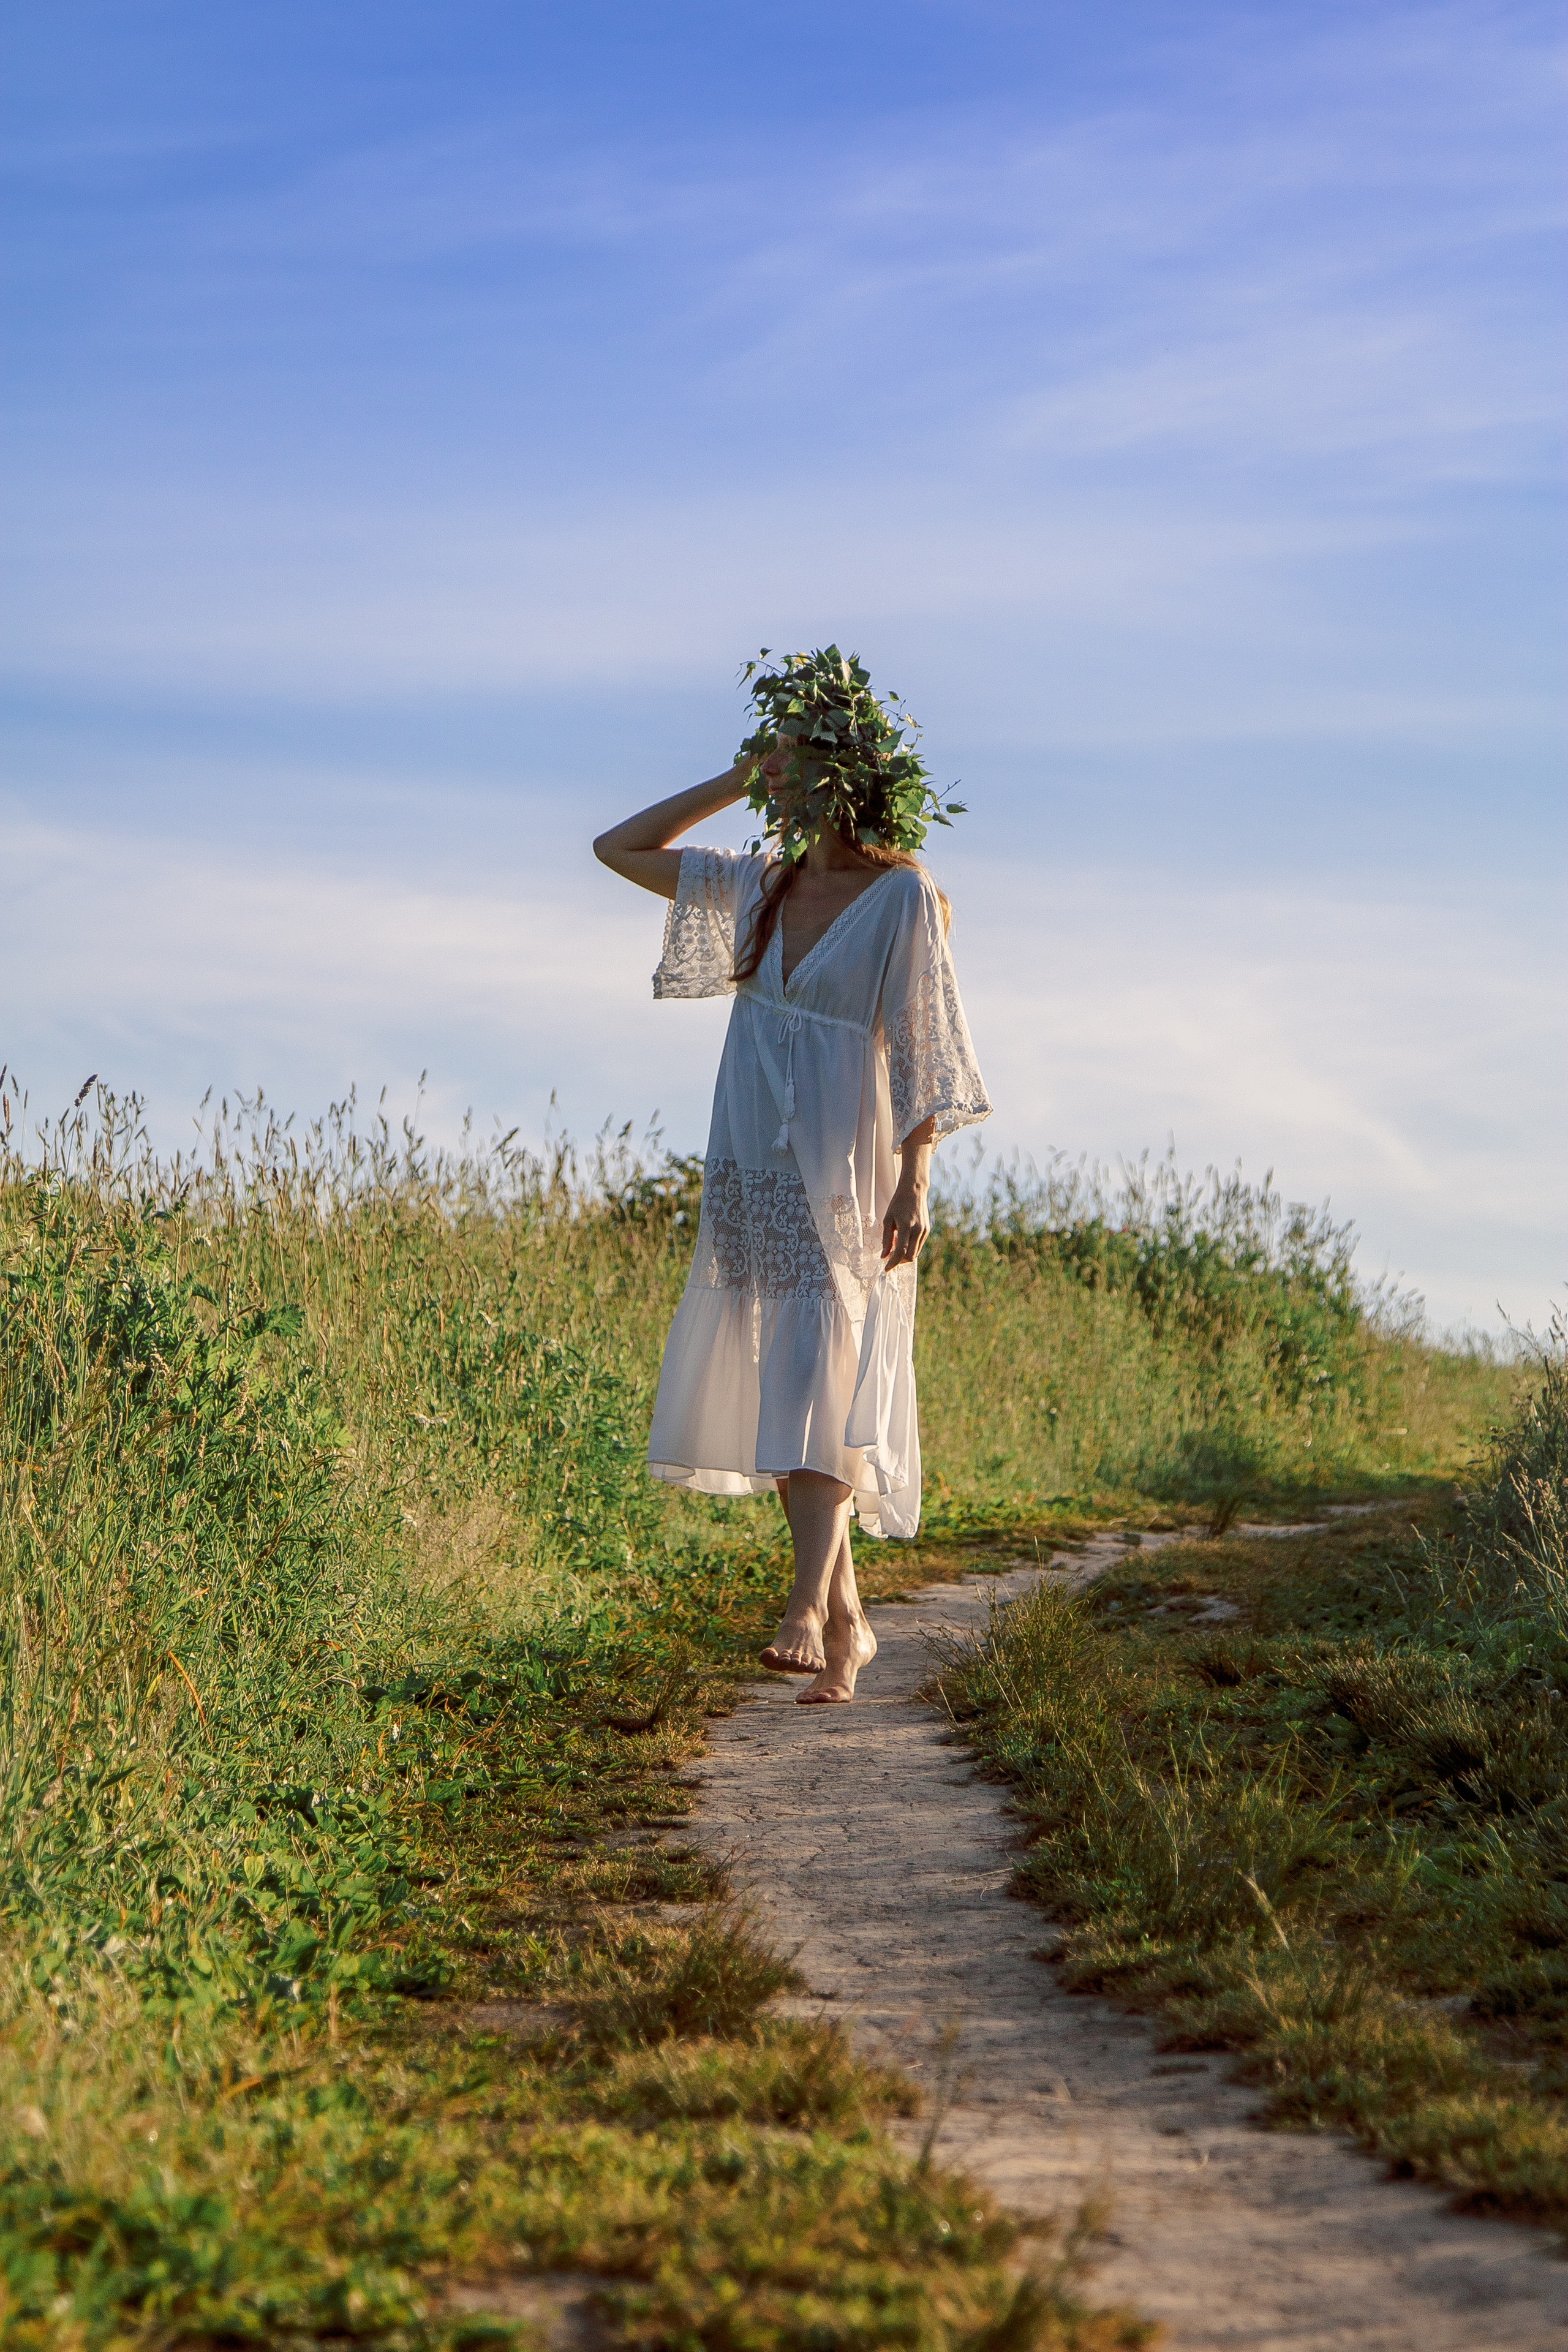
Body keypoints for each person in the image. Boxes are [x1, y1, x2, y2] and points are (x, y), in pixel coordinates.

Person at [594, 714, 990, 1705]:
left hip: (847, 1156)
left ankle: (808, 1606)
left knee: (819, 1363)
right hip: (751, 1152)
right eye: (786, 775)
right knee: (790, 1374)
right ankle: (850, 1622)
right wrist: (735, 775)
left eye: (810, 772)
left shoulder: (903, 896)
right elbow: (618, 849)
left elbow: (923, 1046)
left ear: (859, 786)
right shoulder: (759, 884)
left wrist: (917, 1177)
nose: (792, 792)